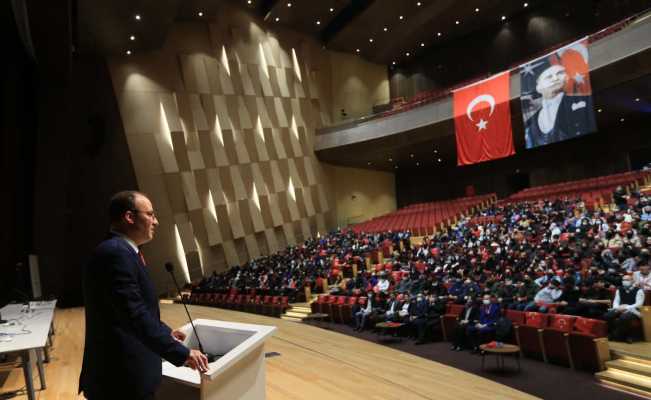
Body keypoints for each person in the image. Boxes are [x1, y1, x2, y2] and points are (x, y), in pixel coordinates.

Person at [79, 191, 208, 400]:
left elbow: (136, 309)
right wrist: (181, 353)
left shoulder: (124, 251)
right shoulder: (116, 253)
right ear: (129, 217)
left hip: (124, 374)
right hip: (120, 379)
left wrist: (165, 332)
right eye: (150, 215)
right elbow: (133, 314)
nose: (156, 222)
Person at [524, 64, 596, 149]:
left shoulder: (586, 102)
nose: (555, 79)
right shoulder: (530, 124)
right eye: (549, 77)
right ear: (538, 87)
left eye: (560, 73)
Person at [604, 274, 645, 343]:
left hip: (634, 310)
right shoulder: (619, 290)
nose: (625, 281)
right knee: (607, 315)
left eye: (627, 280)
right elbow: (616, 301)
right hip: (620, 308)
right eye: (623, 280)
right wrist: (618, 308)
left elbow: (639, 304)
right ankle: (612, 334)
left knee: (624, 317)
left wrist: (626, 307)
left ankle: (626, 336)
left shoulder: (639, 290)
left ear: (632, 281)